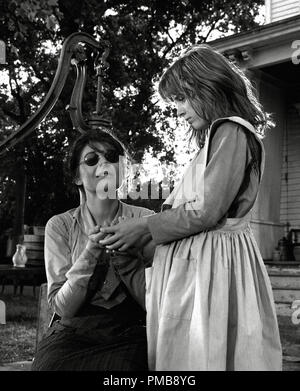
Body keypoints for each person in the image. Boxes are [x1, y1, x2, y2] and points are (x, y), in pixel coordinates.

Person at [98, 44, 283, 371]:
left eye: (182, 99)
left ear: (208, 88)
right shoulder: (214, 139)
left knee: (205, 353)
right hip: (199, 266)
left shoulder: (231, 130)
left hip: (214, 267)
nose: (179, 111)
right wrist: (141, 240)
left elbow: (206, 211)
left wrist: (142, 227)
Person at [32, 128, 154, 371]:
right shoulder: (61, 225)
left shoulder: (145, 219)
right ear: (77, 176)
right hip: (74, 330)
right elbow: (62, 308)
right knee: (48, 367)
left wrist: (127, 261)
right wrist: (90, 252)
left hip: (132, 329)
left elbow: (156, 302)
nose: (104, 164)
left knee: (127, 368)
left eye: (111, 157)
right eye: (91, 159)